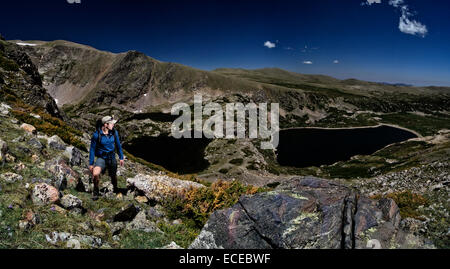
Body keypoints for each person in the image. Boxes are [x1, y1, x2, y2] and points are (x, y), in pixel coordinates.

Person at [89, 115, 124, 200]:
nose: (113, 125)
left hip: (112, 157)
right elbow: (92, 149)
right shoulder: (97, 135)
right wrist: (91, 163)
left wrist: (121, 157)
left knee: (113, 176)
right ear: (105, 124)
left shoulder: (114, 132)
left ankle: (115, 188)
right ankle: (96, 191)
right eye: (112, 123)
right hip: (102, 158)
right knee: (95, 173)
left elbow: (118, 146)